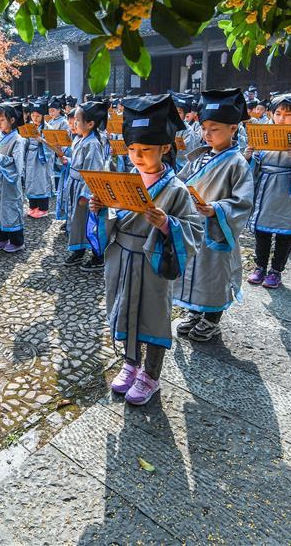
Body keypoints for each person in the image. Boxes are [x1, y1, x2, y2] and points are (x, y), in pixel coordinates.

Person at [88, 93, 203, 405]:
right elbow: (113, 218)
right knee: (125, 310)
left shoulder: (176, 189)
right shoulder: (126, 179)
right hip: (123, 257)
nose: (137, 156)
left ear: (165, 148)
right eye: (132, 149)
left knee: (153, 316)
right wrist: (100, 207)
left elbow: (194, 230)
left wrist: (167, 224)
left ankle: (151, 374)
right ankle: (130, 363)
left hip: (154, 260)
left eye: (146, 150)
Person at [174, 88, 254, 342]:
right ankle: (195, 312)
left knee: (213, 275)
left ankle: (212, 319)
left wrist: (216, 209)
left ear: (233, 129)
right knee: (193, 271)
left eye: (214, 129)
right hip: (193, 226)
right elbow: (179, 183)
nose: (207, 134)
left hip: (217, 228)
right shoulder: (198, 158)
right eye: (204, 128)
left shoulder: (237, 162)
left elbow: (243, 202)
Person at [244, 91, 291, 289]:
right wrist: (248, 156)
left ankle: (276, 270)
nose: (281, 118)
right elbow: (251, 165)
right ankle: (260, 266)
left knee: (284, 234)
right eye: (277, 113)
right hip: (264, 187)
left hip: (288, 190)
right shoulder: (263, 134)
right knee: (261, 231)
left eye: (287, 115)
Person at [64, 100, 108, 270]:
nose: (74, 123)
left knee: (91, 223)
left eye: (77, 120)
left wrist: (86, 194)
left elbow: (93, 171)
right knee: (77, 221)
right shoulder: (79, 139)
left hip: (85, 190)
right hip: (75, 184)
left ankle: (98, 256)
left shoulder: (93, 144)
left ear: (90, 124)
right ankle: (78, 249)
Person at [0, 102, 26, 252]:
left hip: (9, 180)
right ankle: (1, 238)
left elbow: (17, 165)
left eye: (2, 120)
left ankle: (17, 242)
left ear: (12, 120)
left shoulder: (17, 139)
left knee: (10, 208)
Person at [23, 98, 54, 218]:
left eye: (38, 116)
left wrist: (42, 141)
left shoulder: (48, 128)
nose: (35, 118)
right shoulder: (28, 127)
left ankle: (43, 208)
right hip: (30, 157)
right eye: (33, 115)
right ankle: (33, 206)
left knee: (42, 181)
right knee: (30, 181)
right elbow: (25, 143)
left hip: (42, 158)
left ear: (43, 116)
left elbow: (53, 146)